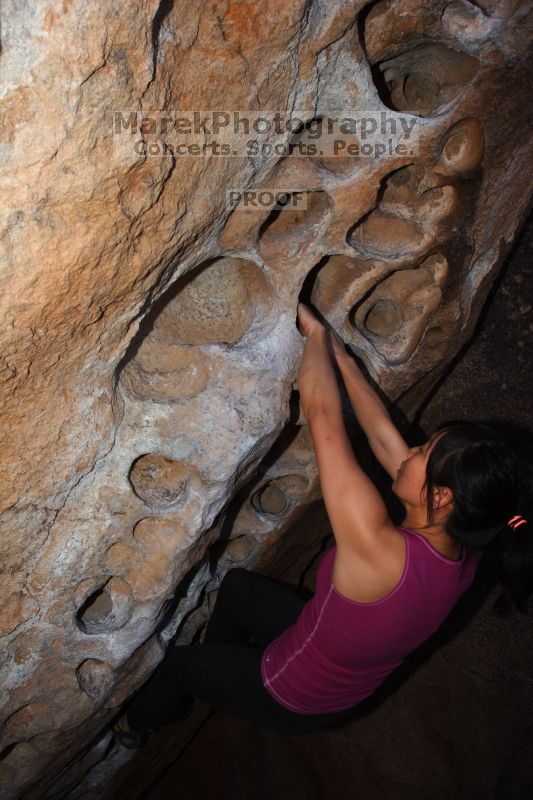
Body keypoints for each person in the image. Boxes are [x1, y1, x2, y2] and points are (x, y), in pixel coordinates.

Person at [112, 303, 533, 748]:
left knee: (173, 667)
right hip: (336, 670)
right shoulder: (462, 550)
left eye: (423, 451)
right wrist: (344, 359)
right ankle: (217, 665)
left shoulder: (379, 549)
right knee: (236, 587)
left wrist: (313, 336)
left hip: (289, 693)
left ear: (441, 496)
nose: (410, 451)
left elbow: (322, 416)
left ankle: (138, 726)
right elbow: (382, 436)